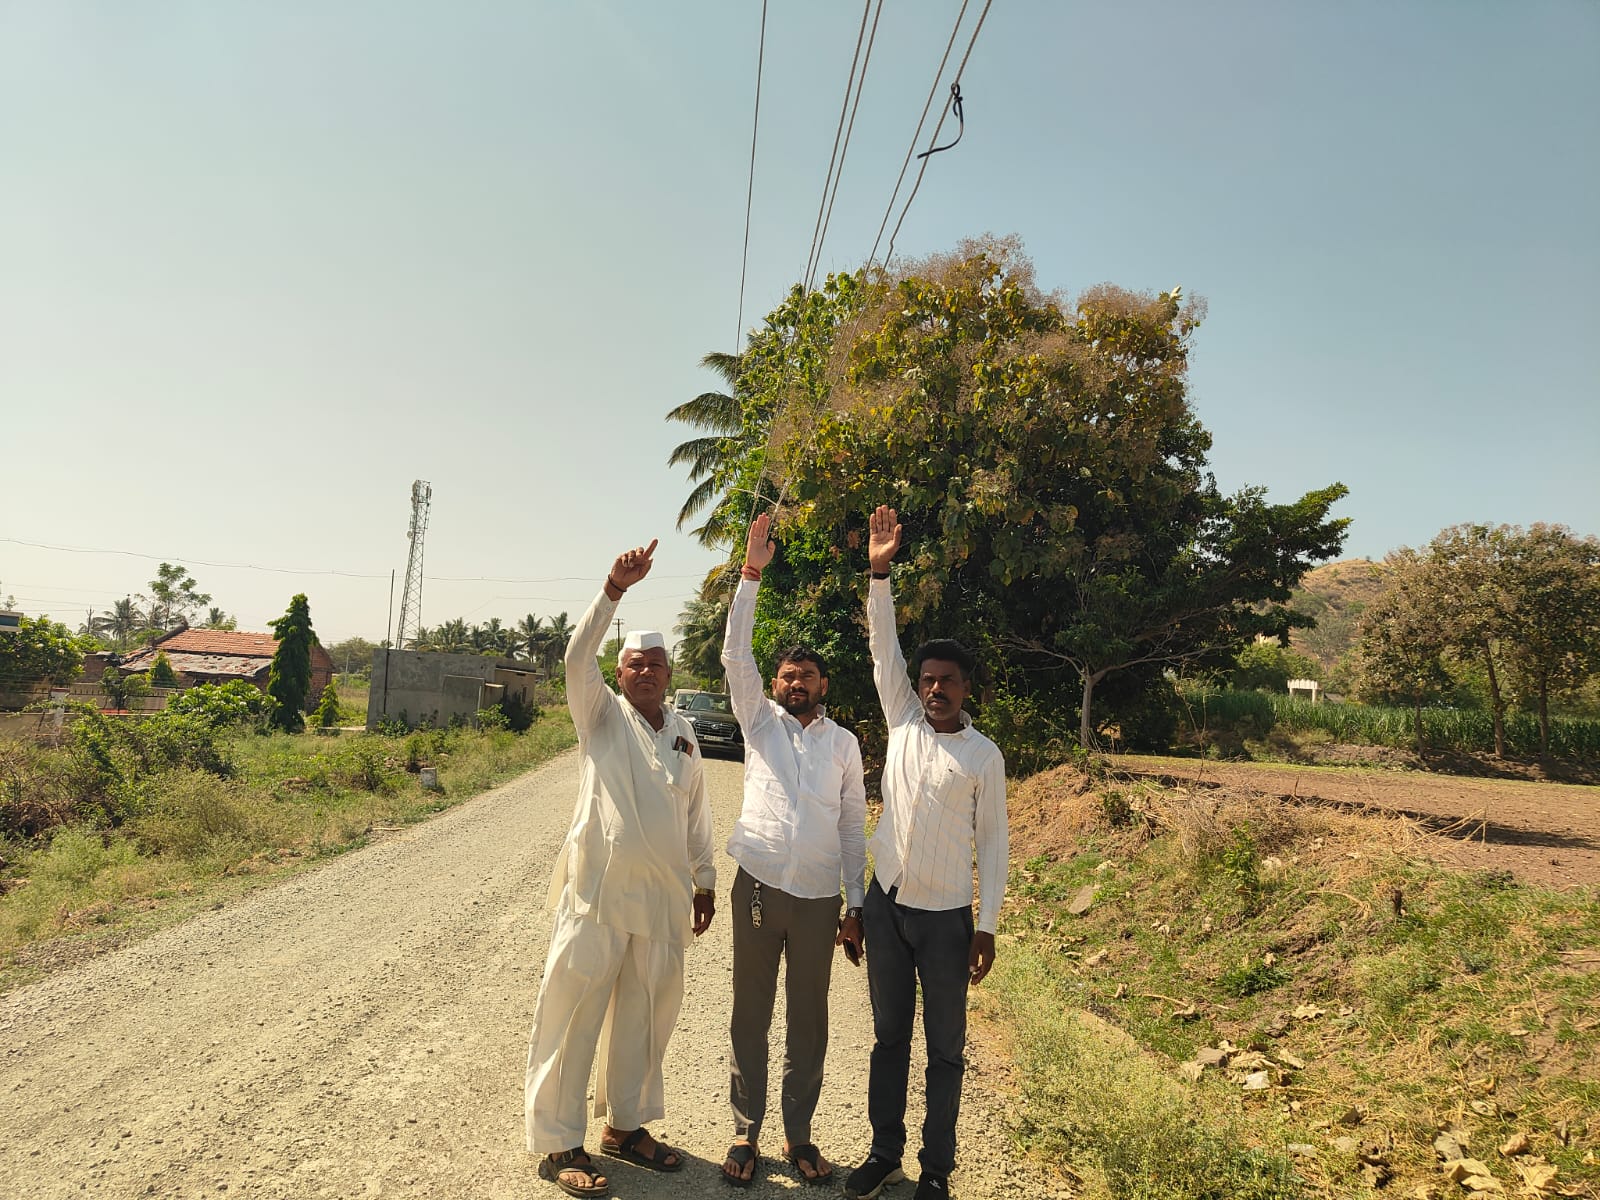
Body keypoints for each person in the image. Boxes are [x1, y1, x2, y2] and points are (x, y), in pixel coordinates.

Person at [524, 538, 717, 1199]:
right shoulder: (600, 715)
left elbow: (697, 817)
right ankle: (558, 1142)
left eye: (654, 665)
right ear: (620, 670)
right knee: (573, 1013)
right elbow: (577, 658)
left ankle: (626, 1128)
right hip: (598, 898)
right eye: (633, 664)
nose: (644, 673)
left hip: (662, 902)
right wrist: (613, 589)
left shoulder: (686, 732)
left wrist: (707, 880)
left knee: (646, 1017)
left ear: (669, 671)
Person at [844, 506, 1009, 1200]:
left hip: (945, 921)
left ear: (966, 689)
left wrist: (987, 924)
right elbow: (884, 649)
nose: (935, 687)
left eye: (948, 679)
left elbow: (995, 845)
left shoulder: (983, 756)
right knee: (889, 1042)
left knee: (945, 1051)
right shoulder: (902, 723)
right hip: (887, 910)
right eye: (928, 678)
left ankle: (935, 1171)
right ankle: (884, 1152)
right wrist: (879, 572)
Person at [720, 513, 868, 1188]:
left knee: (809, 1019)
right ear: (774, 684)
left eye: (807, 673)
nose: (795, 681)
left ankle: (800, 1135)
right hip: (756, 886)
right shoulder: (760, 722)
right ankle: (743, 1135)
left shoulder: (843, 745)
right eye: (787, 673)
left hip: (816, 899)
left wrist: (855, 903)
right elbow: (734, 655)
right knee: (750, 1012)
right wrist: (751, 571)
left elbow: (851, 828)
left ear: (824, 685)